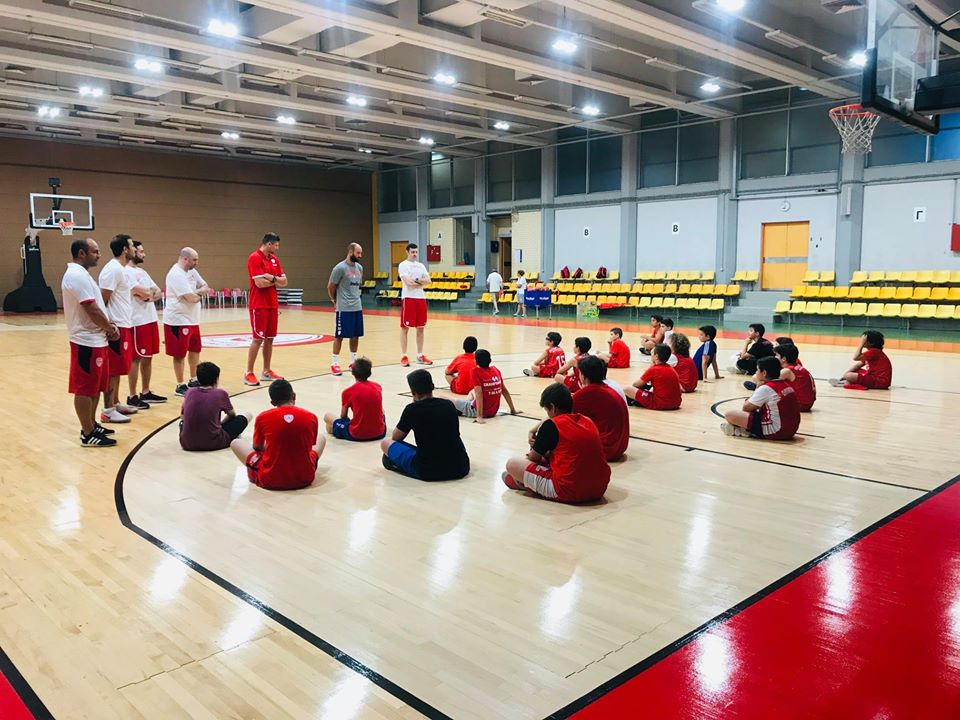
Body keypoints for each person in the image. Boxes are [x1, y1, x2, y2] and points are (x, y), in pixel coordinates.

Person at [502, 384, 610, 503]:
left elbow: (533, 458)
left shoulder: (552, 426)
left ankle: (526, 484)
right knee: (551, 458)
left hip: (569, 490)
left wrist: (535, 448)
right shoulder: (587, 420)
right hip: (600, 487)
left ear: (552, 408)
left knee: (512, 464)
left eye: (547, 410)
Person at [62, 238, 119, 447]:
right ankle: (87, 433)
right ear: (81, 253)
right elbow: (91, 309)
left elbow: (97, 307)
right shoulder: (76, 276)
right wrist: (110, 328)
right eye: (95, 251)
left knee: (95, 386)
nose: (99, 255)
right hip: (85, 341)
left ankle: (92, 425)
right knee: (85, 388)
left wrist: (107, 327)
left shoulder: (83, 275)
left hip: (97, 339)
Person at [231, 379, 325, 490]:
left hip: (270, 479)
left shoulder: (262, 417)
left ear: (272, 403)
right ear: (294, 396)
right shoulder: (311, 416)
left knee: (235, 442)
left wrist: (273, 446)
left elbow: (257, 447)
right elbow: (310, 446)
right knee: (321, 438)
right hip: (305, 478)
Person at [380, 370, 470, 481]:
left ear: (413, 392)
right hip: (461, 467)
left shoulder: (412, 410)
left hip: (428, 470)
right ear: (432, 386)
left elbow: (395, 438)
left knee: (385, 443)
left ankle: (397, 464)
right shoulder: (448, 405)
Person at [98, 234, 139, 423]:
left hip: (124, 324)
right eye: (132, 246)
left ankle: (114, 403)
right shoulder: (113, 269)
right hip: (116, 326)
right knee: (112, 370)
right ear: (124, 249)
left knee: (119, 368)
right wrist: (109, 325)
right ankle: (107, 410)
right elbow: (102, 299)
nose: (134, 249)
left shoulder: (120, 270)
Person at [126, 240, 166, 407]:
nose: (144, 254)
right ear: (133, 252)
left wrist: (148, 295)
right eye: (141, 251)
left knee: (148, 357)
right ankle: (132, 395)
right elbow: (141, 292)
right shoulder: (125, 272)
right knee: (135, 358)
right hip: (137, 321)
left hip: (150, 319)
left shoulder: (142, 272)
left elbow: (158, 292)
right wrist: (147, 293)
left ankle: (145, 391)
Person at [721, 356, 800, 440]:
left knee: (729, 414)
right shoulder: (786, 385)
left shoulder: (766, 388)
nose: (756, 372)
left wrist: (757, 388)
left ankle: (746, 431)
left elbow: (746, 408)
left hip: (777, 431)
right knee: (759, 408)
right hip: (791, 430)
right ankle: (743, 430)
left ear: (764, 373)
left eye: (757, 370)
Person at [245, 232, 287, 386]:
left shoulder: (275, 259)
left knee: (270, 339)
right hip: (259, 305)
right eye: (276, 245)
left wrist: (271, 277)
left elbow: (285, 281)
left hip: (272, 304)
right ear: (269, 244)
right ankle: (248, 373)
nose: (277, 248)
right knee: (257, 339)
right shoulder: (254, 258)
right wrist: (275, 280)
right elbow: (259, 284)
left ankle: (266, 371)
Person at [164, 247, 207, 397]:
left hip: (193, 319)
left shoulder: (192, 272)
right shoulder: (175, 274)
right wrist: (197, 294)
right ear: (185, 259)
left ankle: (193, 379)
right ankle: (180, 384)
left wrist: (196, 293)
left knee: (195, 349)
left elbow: (205, 286)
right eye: (194, 260)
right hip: (178, 320)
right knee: (179, 353)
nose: (196, 263)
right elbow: (192, 298)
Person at [179, 362, 251, 451]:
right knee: (247, 415)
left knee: (183, 423)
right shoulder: (220, 393)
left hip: (186, 443)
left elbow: (182, 416)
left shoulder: (189, 392)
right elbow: (232, 415)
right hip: (213, 443)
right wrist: (220, 425)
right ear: (216, 379)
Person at [573, 356, 629, 462]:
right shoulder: (608, 389)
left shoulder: (585, 394)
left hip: (605, 450)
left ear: (583, 376)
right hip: (620, 447)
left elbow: (561, 417)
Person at [322, 357, 386, 442]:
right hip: (380, 433)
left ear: (352, 373)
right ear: (370, 373)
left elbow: (343, 416)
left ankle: (337, 431)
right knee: (381, 410)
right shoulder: (378, 387)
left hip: (357, 434)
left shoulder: (348, 392)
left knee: (327, 416)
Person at [327, 242, 364, 376]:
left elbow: (357, 286)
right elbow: (331, 286)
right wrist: (334, 300)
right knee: (340, 336)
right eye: (358, 253)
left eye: (361, 253)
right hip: (344, 308)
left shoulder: (359, 268)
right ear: (350, 252)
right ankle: (335, 363)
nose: (360, 255)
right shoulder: (339, 268)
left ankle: (353, 362)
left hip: (357, 307)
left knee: (355, 335)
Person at [453, 349, 519, 423]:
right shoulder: (496, 370)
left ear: (476, 361)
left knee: (446, 399)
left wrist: (479, 416)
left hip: (477, 411)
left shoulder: (475, 371)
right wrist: (513, 410)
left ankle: (463, 408)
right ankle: (464, 405)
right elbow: (504, 391)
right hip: (493, 411)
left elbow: (479, 394)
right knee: (472, 392)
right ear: (490, 360)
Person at [398, 243, 432, 367]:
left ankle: (420, 355)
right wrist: (420, 282)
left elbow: (429, 281)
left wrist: (416, 281)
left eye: (416, 252)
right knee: (405, 328)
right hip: (408, 298)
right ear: (407, 252)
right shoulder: (403, 265)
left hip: (420, 298)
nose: (415, 254)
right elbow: (409, 283)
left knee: (421, 327)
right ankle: (404, 356)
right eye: (412, 252)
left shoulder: (421, 265)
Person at [624, 344, 682, 410]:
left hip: (661, 403)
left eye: (652, 353)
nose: (651, 355)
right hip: (676, 403)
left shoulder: (654, 369)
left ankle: (636, 401)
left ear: (656, 356)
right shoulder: (671, 369)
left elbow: (635, 384)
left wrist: (650, 368)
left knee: (627, 389)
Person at [773, 342, 816, 411]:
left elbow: (768, 382)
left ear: (783, 359)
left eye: (776, 355)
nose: (774, 357)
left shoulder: (787, 371)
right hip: (807, 403)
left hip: (800, 404)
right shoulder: (797, 365)